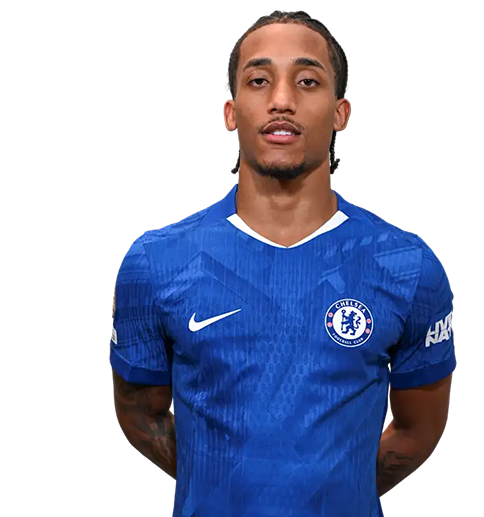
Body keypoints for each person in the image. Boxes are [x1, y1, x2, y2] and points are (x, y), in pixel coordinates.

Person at [110, 9, 455, 517]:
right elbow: (141, 414)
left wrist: (340, 489)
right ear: (230, 112)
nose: (282, 100)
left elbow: (417, 429)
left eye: (307, 81)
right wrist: (217, 485)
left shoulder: (407, 268)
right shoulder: (155, 262)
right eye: (259, 80)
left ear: (341, 113)